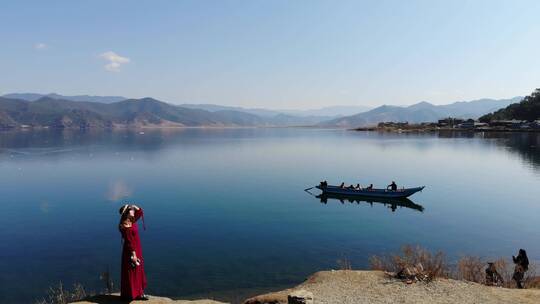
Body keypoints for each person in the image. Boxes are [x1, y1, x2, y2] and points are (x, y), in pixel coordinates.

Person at [119, 204, 148, 300]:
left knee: (137, 271)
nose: (134, 211)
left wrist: (134, 206)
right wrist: (133, 254)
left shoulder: (132, 220)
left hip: (137, 248)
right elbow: (128, 242)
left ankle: (138, 293)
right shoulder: (125, 225)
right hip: (131, 251)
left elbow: (140, 212)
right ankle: (133, 294)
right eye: (131, 210)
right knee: (132, 272)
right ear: (127, 214)